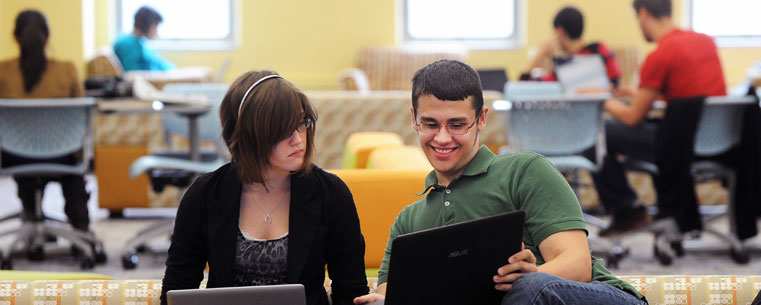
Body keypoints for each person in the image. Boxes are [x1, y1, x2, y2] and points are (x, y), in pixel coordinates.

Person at [353, 59, 646, 305]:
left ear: (481, 119)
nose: (442, 138)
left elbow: (578, 265)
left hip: (590, 296)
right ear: (414, 118)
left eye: (456, 125)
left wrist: (533, 272)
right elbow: (390, 294)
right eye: (430, 124)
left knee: (528, 288)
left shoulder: (525, 170)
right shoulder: (408, 221)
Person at [160, 70, 369, 305]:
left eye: (302, 124)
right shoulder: (205, 195)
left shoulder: (331, 194)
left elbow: (351, 291)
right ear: (250, 135)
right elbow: (177, 288)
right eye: (283, 131)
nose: (299, 139)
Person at [589, 0, 726, 236]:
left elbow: (633, 118)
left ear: (643, 14)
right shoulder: (706, 42)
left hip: (677, 146)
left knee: (597, 132)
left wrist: (601, 99)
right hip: (720, 143)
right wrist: (645, 94)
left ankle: (627, 208)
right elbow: (692, 99)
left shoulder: (660, 55)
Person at [0, 10, 91, 232]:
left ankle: (31, 215)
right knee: (72, 169)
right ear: (48, 38)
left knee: (24, 152)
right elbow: (81, 120)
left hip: (14, 156)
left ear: (15, 38)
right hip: (63, 154)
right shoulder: (67, 70)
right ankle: (80, 226)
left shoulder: (2, 72)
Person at [520, 6, 621, 88]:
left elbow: (523, 86)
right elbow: (616, 81)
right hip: (602, 111)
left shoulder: (564, 66)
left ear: (559, 32)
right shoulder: (600, 49)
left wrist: (539, 55)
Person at [113, 6, 176, 71]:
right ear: (147, 24)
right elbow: (133, 73)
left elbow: (157, 63)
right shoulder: (127, 44)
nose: (156, 31)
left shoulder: (140, 42)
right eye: (155, 26)